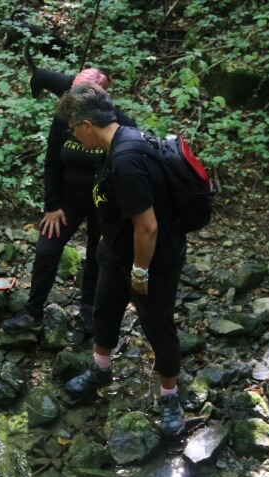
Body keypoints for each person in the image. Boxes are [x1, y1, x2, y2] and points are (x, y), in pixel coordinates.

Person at [54, 84, 187, 437]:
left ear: (86, 125)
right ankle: (100, 368)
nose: (72, 136)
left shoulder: (127, 158)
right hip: (115, 250)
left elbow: (148, 227)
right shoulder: (118, 140)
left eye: (72, 128)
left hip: (151, 257)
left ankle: (170, 396)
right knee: (105, 308)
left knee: (157, 323)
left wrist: (140, 272)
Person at [2, 69, 136, 335]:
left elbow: (125, 175)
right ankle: (33, 311)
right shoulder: (65, 118)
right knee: (46, 249)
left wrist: (116, 220)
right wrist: (51, 205)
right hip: (67, 202)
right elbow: (52, 162)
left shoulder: (121, 125)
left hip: (104, 204)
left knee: (97, 257)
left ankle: (89, 311)